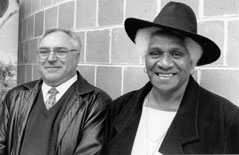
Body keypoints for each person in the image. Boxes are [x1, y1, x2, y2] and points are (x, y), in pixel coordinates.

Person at [103, 1, 239, 154]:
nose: (164, 63)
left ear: (192, 62)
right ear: (145, 58)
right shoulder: (119, 109)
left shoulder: (226, 120)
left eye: (177, 54)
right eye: (155, 53)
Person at [0, 28, 112, 155]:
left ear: (77, 57)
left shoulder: (96, 103)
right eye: (44, 52)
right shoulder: (16, 96)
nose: (51, 58)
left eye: (61, 51)